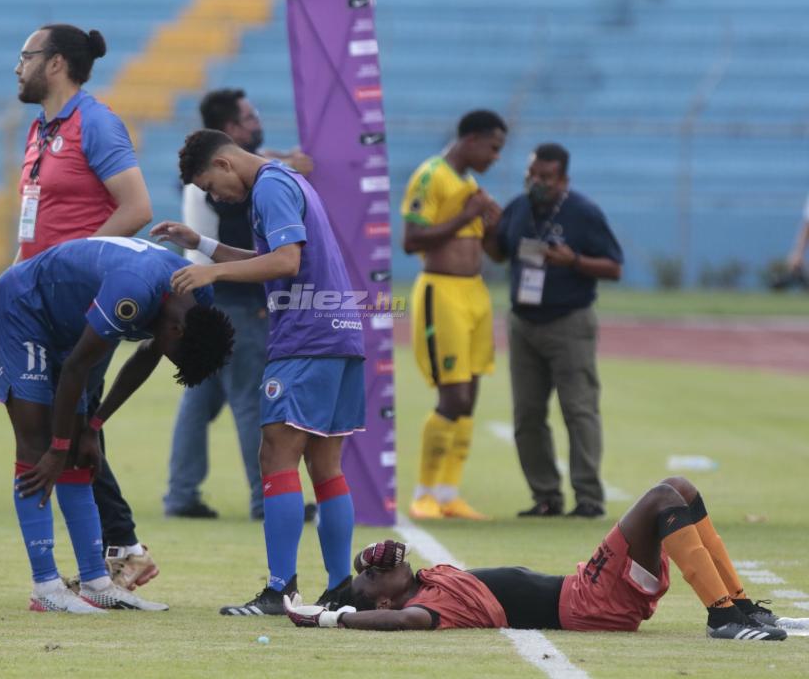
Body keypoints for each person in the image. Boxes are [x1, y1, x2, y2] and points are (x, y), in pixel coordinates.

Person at [152, 129, 365, 616]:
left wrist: (212, 273)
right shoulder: (285, 180)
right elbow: (276, 258)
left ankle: (279, 589)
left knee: (276, 454)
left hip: (307, 338)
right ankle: (339, 588)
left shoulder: (268, 187)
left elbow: (286, 262)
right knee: (325, 466)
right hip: (337, 334)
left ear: (225, 165)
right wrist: (203, 244)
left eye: (210, 185)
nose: (214, 196)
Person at [0, 236, 233, 612]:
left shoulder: (198, 299)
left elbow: (148, 353)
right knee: (39, 447)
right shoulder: (132, 294)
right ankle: (45, 588)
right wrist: (58, 446)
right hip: (25, 309)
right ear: (177, 332)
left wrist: (94, 425)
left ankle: (96, 581)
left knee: (81, 458)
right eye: (175, 357)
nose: (167, 358)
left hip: (73, 327)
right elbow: (75, 368)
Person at [13, 23, 160, 594]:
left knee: (66, 428)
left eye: (25, 57)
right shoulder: (41, 126)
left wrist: (76, 270)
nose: (16, 67)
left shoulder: (94, 122)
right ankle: (116, 551)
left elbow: (137, 206)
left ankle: (121, 550)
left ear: (54, 64)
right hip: (37, 304)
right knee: (67, 428)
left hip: (77, 308)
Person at [284, 476, 792, 641]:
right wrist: (336, 617)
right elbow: (404, 621)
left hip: (591, 592)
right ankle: (723, 618)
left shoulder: (426, 579)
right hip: (591, 603)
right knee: (662, 498)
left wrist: (331, 603)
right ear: (381, 596)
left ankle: (740, 606)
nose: (385, 567)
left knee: (679, 489)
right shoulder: (427, 606)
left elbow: (387, 600)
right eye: (375, 573)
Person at [165, 87, 314, 521]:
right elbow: (251, 232)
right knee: (252, 398)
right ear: (230, 132)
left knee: (200, 399)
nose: (256, 122)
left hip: (204, 293)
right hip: (231, 295)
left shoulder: (218, 170)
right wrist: (288, 167)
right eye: (249, 117)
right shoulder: (233, 184)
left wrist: (279, 159)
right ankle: (264, 499)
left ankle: (180, 492)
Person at [482, 143, 623, 518]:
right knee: (527, 413)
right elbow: (500, 254)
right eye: (532, 174)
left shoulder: (583, 213)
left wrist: (573, 260)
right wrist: (489, 232)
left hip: (569, 321)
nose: (537, 182)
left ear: (564, 180)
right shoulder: (518, 207)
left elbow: (614, 267)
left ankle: (589, 497)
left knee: (579, 409)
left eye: (546, 177)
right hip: (523, 323)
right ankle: (545, 496)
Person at [402, 110, 506, 521]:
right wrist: (466, 214)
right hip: (440, 291)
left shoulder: (471, 185)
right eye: (493, 148)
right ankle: (424, 492)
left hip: (474, 294)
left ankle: (448, 494)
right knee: (453, 395)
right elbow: (410, 240)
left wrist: (491, 223)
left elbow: (495, 252)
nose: (496, 157)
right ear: (472, 139)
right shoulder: (431, 175)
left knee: (471, 396)